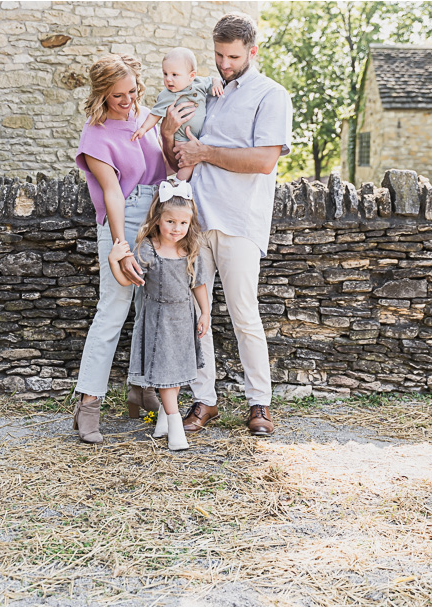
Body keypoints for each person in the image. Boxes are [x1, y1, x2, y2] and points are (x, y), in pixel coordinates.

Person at [159, 13, 292, 437]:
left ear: (252, 52)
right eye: (218, 54)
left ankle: (260, 404)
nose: (224, 62)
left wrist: (205, 153)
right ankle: (206, 399)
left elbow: (264, 161)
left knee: (243, 315)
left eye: (232, 56)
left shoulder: (271, 95)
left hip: (240, 221)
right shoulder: (208, 93)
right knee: (196, 314)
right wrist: (167, 137)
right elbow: (180, 159)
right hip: (197, 220)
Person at [71, 53, 169, 444]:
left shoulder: (145, 115)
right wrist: (120, 245)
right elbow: (111, 191)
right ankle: (88, 406)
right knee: (113, 309)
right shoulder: (95, 135)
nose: (127, 101)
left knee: (152, 309)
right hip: (124, 217)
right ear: (101, 95)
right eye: (117, 96)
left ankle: (141, 392)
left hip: (159, 215)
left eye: (131, 91)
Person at [108, 179, 211, 452]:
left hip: (182, 319)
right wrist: (113, 261)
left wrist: (205, 312)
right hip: (158, 321)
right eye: (170, 222)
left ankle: (164, 420)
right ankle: (175, 425)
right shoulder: (148, 248)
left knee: (176, 372)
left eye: (182, 223)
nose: (176, 229)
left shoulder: (190, 251)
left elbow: (198, 284)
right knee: (166, 371)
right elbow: (127, 281)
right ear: (158, 219)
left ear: (190, 224)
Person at [130, 47, 224, 181]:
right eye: (165, 74)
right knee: (187, 165)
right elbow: (154, 114)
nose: (168, 79)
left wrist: (216, 84)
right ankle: (177, 185)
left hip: (202, 136)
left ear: (191, 76)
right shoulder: (167, 95)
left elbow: (213, 80)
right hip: (182, 139)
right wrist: (143, 129)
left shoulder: (199, 83)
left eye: (174, 75)